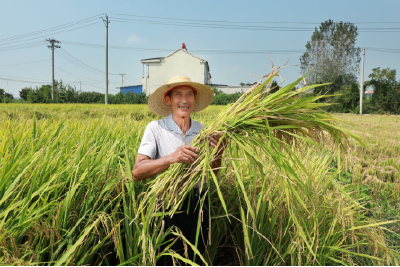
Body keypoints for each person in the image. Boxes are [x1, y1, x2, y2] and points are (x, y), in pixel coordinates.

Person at [132, 76, 226, 266]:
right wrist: (171, 158)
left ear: (194, 99)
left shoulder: (204, 131)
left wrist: (218, 154)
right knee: (167, 260)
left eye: (189, 95)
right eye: (178, 95)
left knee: (195, 259)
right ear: (168, 100)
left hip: (198, 205)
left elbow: (212, 175)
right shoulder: (156, 128)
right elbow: (137, 171)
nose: (184, 100)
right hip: (166, 205)